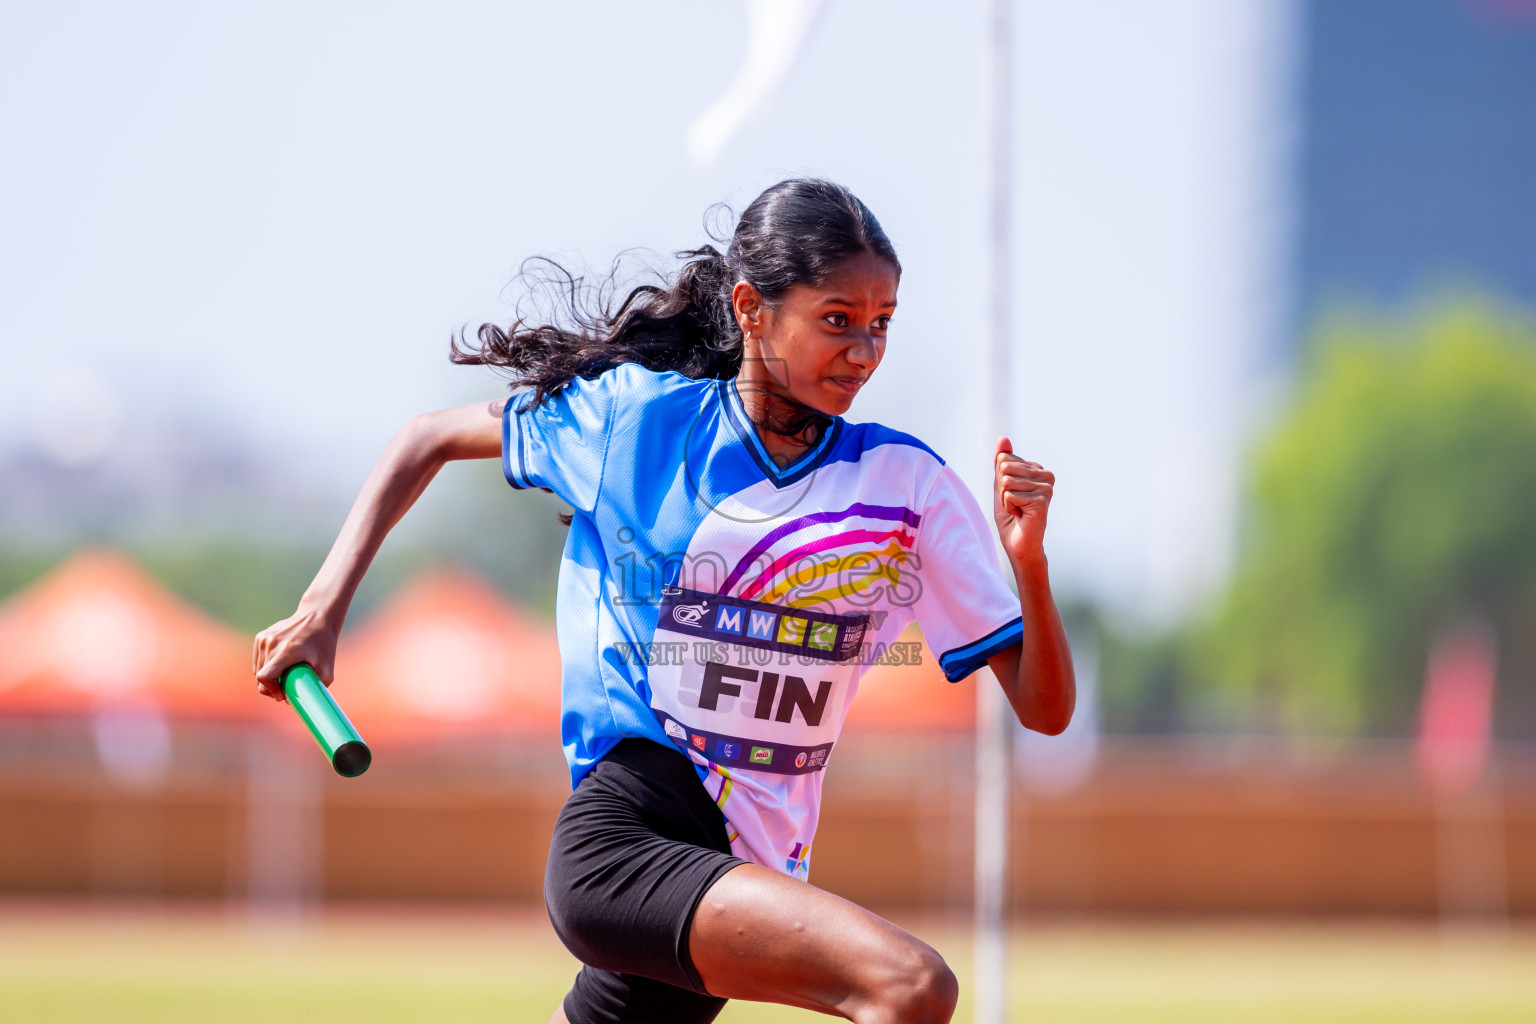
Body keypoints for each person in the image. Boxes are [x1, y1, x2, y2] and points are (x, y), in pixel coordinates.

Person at [252, 178, 1074, 1024]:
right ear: (752, 309)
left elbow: (1045, 711)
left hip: (747, 866)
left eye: (882, 323)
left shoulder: (911, 487)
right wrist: (322, 611)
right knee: (910, 985)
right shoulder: (632, 421)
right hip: (625, 842)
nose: (865, 350)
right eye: (837, 320)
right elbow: (424, 438)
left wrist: (1030, 567)